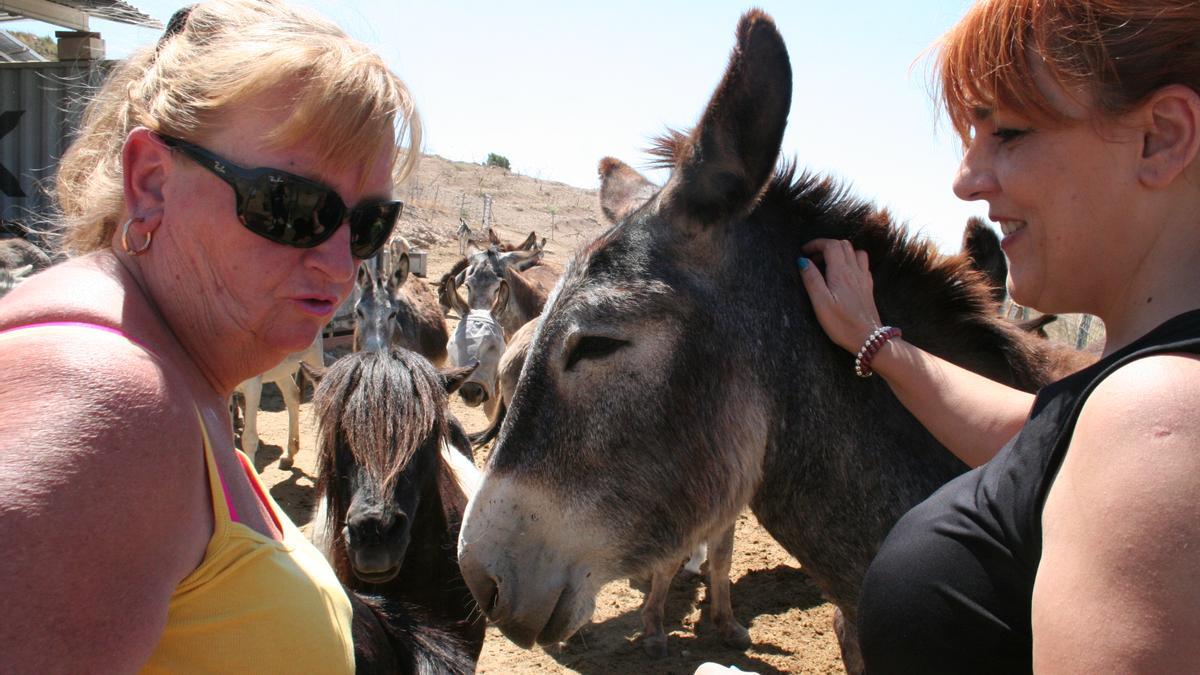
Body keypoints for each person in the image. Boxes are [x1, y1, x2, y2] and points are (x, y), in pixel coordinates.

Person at [0, 1, 420, 670]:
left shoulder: (170, 373)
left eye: (368, 224)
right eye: (292, 206)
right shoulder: (107, 403)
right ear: (151, 184)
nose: (342, 266)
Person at [796, 0, 1200, 671]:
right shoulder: (1138, 399)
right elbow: (1035, 442)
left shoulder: (1157, 425)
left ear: (1160, 136)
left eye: (1008, 133)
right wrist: (877, 342)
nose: (964, 180)